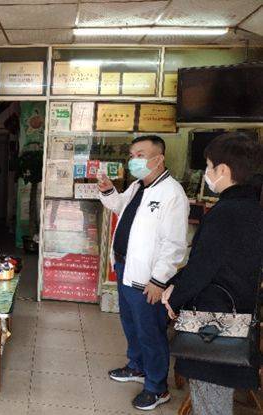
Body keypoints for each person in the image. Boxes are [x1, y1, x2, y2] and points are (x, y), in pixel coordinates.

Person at [162, 133, 262, 415]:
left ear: (223, 170)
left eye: (208, 166)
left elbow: (202, 267)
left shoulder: (226, 213)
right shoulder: (252, 209)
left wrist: (174, 297)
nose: (206, 173)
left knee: (210, 401)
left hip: (213, 325)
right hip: (238, 317)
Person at [98, 135, 189, 411]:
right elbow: (119, 207)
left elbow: (174, 245)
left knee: (151, 332)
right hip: (126, 268)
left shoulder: (172, 194)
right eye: (132, 155)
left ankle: (157, 387)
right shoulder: (138, 186)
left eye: (140, 155)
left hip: (149, 279)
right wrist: (109, 191)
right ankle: (137, 366)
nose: (133, 160)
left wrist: (159, 280)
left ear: (158, 159)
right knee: (131, 324)